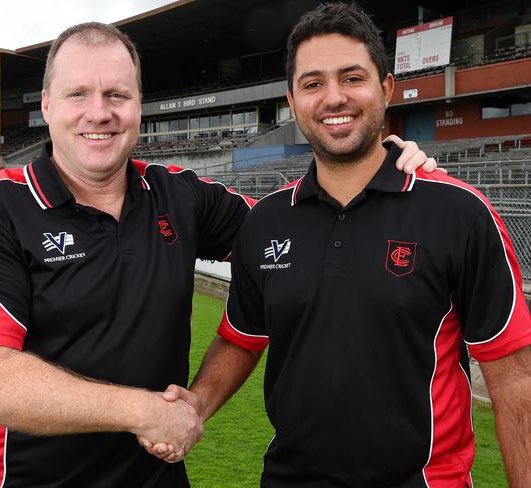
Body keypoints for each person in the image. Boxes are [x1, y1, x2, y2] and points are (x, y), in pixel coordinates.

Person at [0, 20, 437, 488]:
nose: (100, 112)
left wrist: (382, 167)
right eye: (78, 94)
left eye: (117, 94)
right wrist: (142, 411)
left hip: (158, 478)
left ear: (138, 105)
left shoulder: (180, 195)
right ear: (46, 105)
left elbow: (299, 229)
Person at [144, 3, 531, 487]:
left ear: (385, 89)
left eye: (352, 78)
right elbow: (241, 337)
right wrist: (197, 403)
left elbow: (516, 379)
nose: (334, 98)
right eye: (313, 83)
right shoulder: (265, 222)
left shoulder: (461, 213)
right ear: (292, 98)